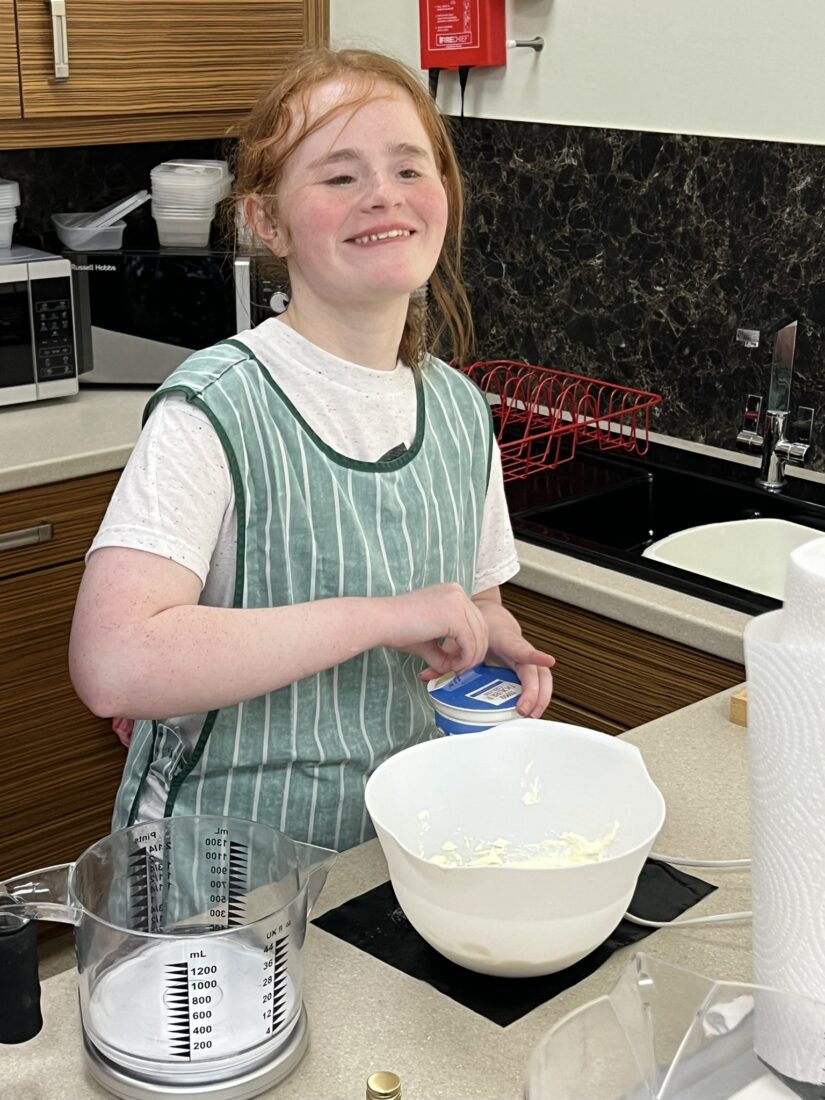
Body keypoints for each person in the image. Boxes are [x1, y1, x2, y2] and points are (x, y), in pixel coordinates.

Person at [69, 46, 556, 853]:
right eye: (338, 177)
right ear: (267, 220)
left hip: (397, 854)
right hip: (223, 877)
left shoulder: (461, 411)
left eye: (409, 169)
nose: (382, 197)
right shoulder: (217, 405)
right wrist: (387, 618)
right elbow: (115, 662)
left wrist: (486, 635)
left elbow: (471, 598)